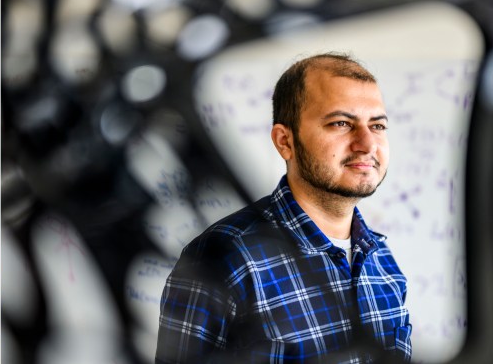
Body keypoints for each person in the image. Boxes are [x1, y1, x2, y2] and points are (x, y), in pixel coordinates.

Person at [156, 53, 411, 363]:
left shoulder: (383, 261)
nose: (367, 144)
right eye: (341, 123)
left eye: (378, 125)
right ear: (285, 141)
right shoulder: (222, 257)